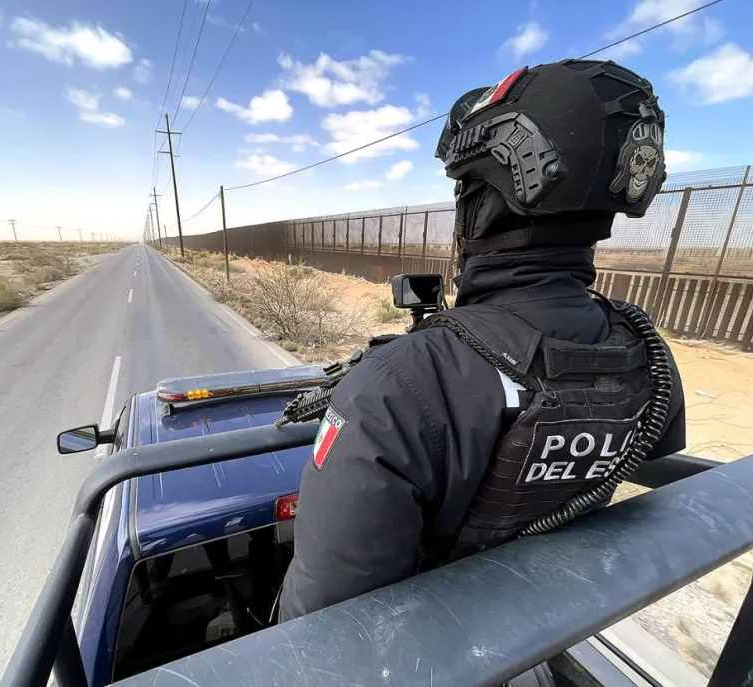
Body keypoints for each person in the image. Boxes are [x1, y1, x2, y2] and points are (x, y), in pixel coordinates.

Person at [277, 59, 687, 623]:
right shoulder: (645, 354)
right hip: (548, 620)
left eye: (465, 190)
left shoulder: (399, 386)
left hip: (435, 644)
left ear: (481, 207)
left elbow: (323, 619)